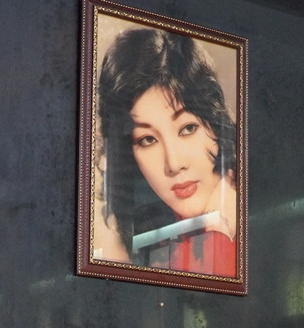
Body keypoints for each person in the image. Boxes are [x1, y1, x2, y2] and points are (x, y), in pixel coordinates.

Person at [95, 27, 238, 277]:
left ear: (216, 126)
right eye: (148, 139)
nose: (174, 163)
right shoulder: (154, 240)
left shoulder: (259, 212)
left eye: (188, 128)